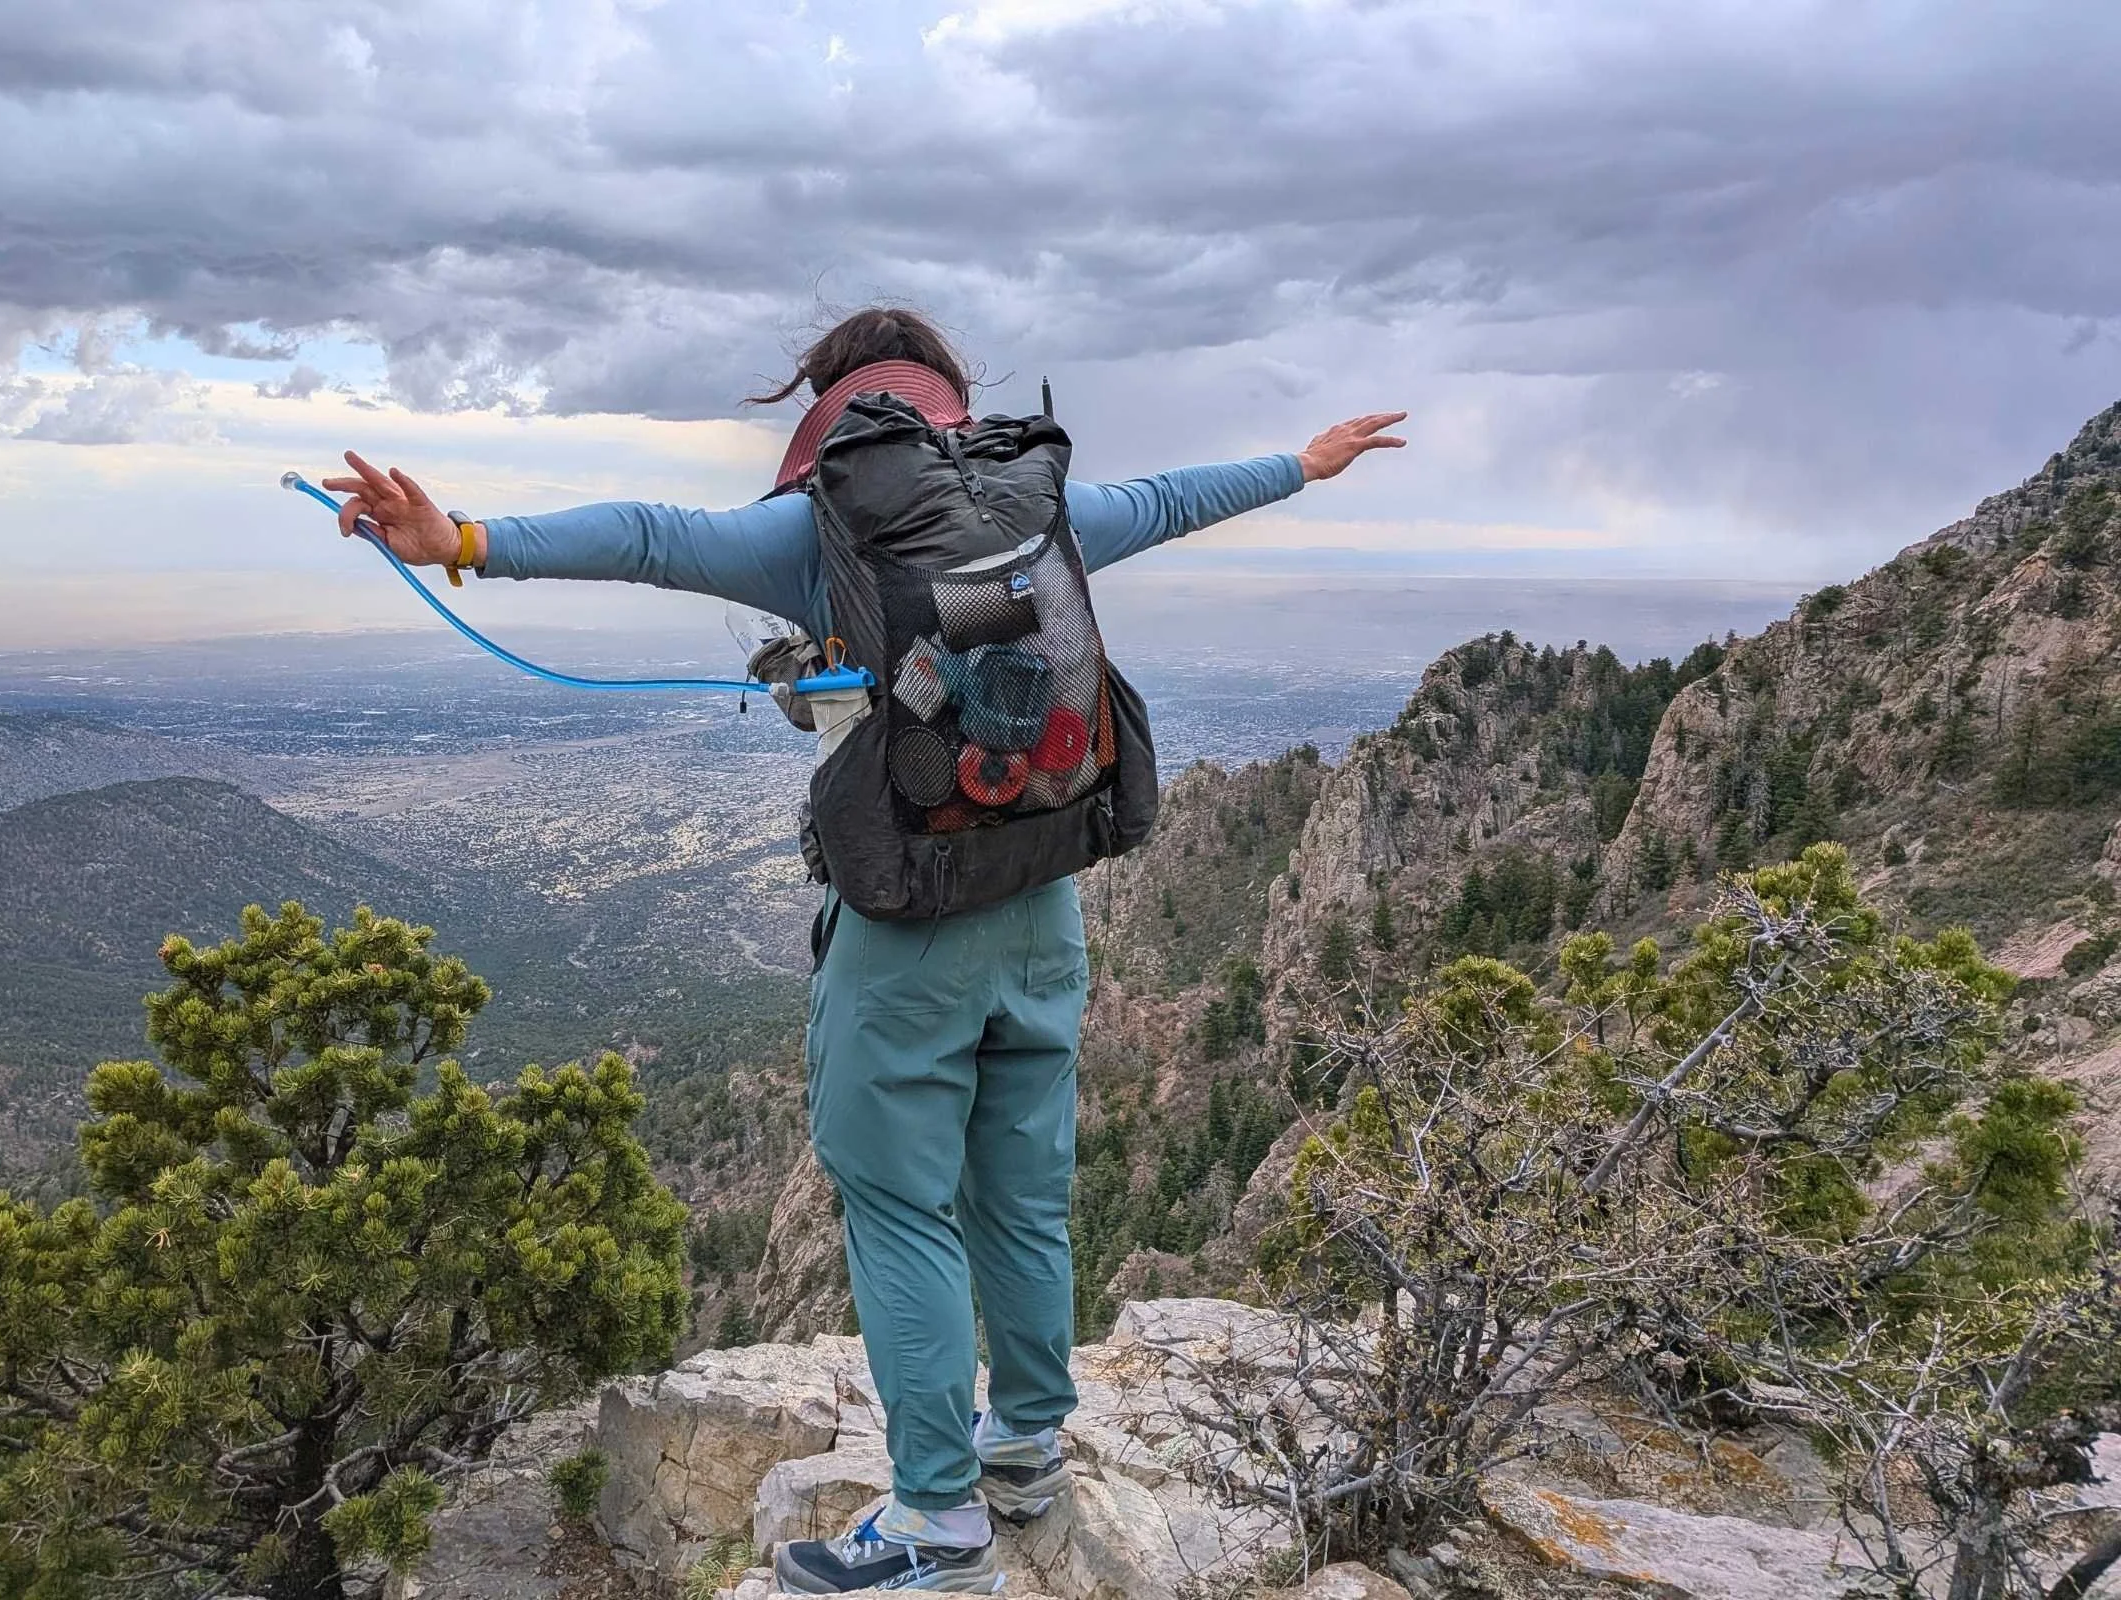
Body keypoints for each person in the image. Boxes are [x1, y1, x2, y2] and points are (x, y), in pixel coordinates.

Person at [327, 307, 1405, 1594]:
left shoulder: (828, 522)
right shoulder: (1036, 500)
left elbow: (651, 539)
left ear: (834, 406)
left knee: (901, 1207)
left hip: (909, 926)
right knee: (1021, 1190)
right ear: (950, 399)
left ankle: (938, 1523)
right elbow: (1173, 500)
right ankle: (1026, 1458)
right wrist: (1303, 461)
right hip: (1044, 902)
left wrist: (464, 542)